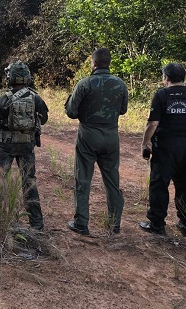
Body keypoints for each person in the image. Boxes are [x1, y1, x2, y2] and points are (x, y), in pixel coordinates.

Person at [139, 63, 186, 237]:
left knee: (159, 184)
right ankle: (185, 223)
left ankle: (157, 224)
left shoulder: (161, 95)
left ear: (166, 77)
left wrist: (145, 142)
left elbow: (153, 123)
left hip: (165, 147)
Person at [65, 48, 128, 235]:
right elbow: (123, 110)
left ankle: (81, 223)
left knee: (83, 178)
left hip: (88, 134)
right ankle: (114, 224)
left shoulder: (85, 84)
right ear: (108, 63)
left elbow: (71, 112)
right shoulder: (120, 84)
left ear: (93, 63)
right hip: (111, 135)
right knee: (112, 180)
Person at [0, 61, 48, 231]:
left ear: (10, 78)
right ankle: (36, 224)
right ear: (27, 77)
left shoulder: (4, 99)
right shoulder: (35, 97)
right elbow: (43, 119)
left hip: (5, 145)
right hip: (27, 145)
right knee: (29, 182)